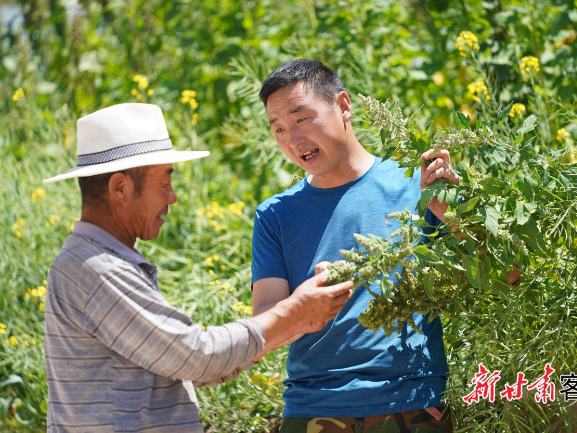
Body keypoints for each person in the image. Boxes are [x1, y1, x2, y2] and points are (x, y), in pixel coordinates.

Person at [42, 103, 354, 433]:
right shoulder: (96, 269)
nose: (173, 197)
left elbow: (184, 363)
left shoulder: (97, 262)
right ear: (119, 188)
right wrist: (292, 312)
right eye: (164, 182)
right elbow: (195, 357)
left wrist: (297, 320)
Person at [251, 59, 461, 432]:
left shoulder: (419, 186)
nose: (293, 139)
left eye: (302, 119)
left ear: (344, 106)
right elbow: (263, 328)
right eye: (279, 128)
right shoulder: (275, 215)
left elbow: (505, 276)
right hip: (313, 410)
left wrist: (454, 216)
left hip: (412, 407)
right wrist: (305, 305)